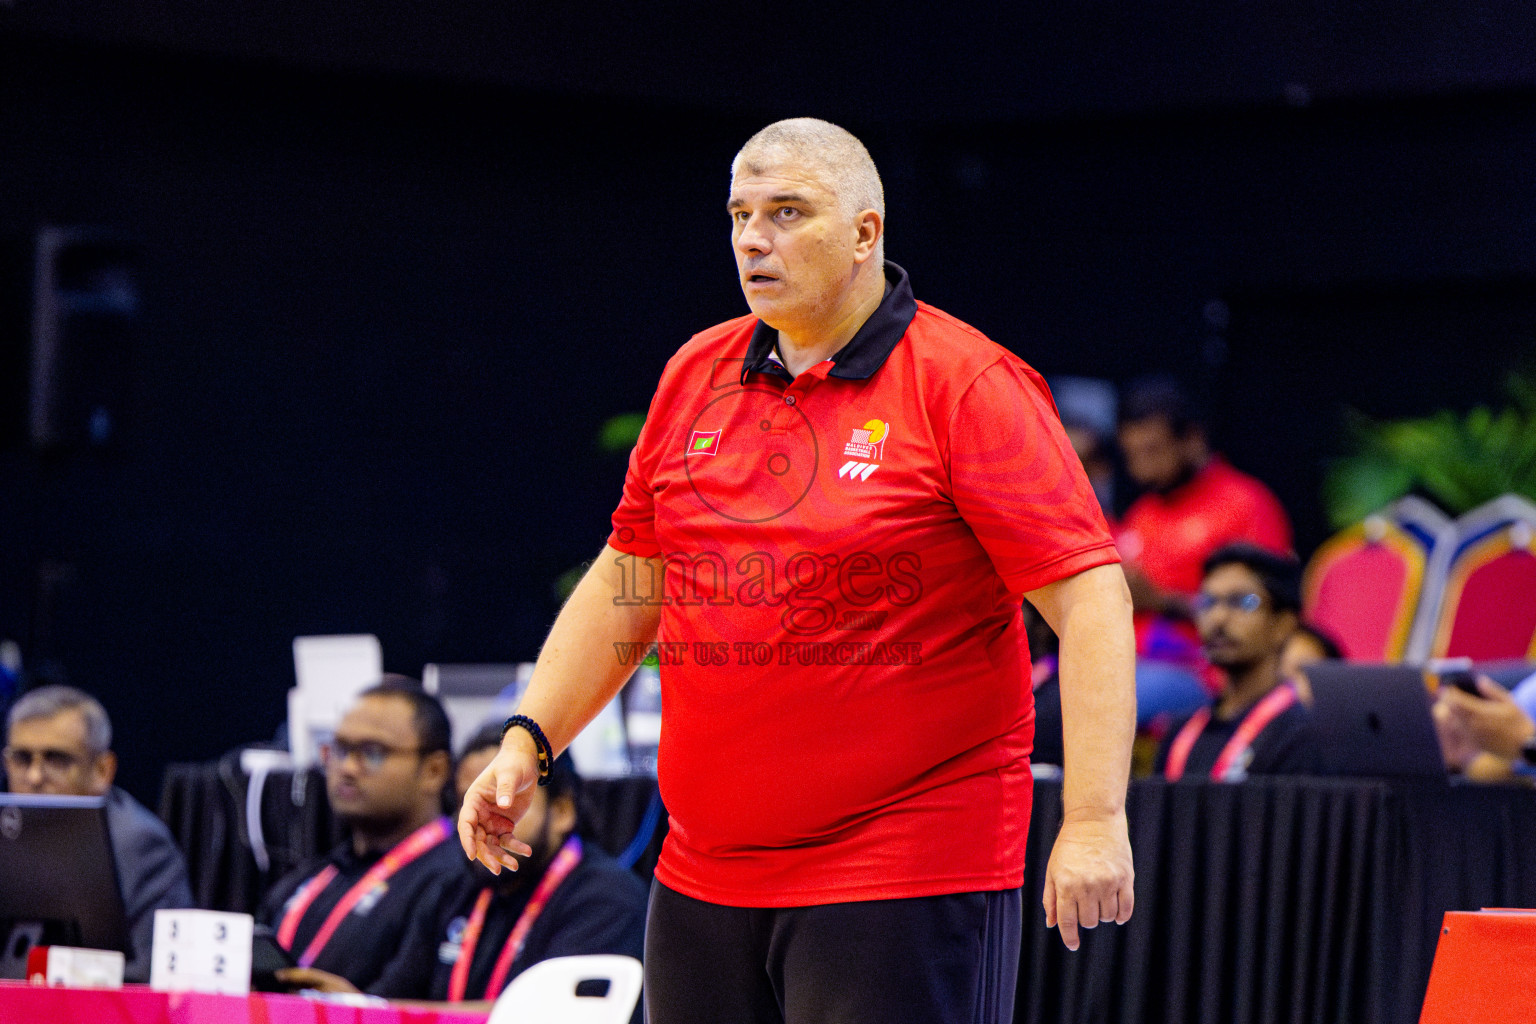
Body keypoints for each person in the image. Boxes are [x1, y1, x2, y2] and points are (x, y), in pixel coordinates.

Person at [459, 117, 1137, 1024]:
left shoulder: (965, 383)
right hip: (704, 873)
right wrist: (529, 740)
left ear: (865, 233)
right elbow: (634, 574)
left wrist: (1093, 820)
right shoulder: (696, 372)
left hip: (903, 870)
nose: (752, 237)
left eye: (786, 212)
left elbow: (1090, 598)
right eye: (740, 213)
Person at [375, 750, 646, 1017]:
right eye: (467, 803)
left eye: (499, 805)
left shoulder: (608, 898)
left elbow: (552, 1016)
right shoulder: (451, 887)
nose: (477, 823)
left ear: (562, 811)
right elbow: (392, 1000)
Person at [260, 679, 465, 995]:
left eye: (373, 752)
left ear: (434, 771)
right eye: (339, 749)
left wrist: (356, 1012)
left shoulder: (460, 879)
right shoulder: (315, 875)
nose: (347, 768)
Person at [1115, 375, 1294, 725]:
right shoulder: (1142, 514)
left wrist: (1162, 601)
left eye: (1153, 451)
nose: (1140, 468)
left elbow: (1266, 609)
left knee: (1105, 698)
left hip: (1206, 671)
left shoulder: (1244, 505)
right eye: (1131, 454)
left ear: (1193, 440)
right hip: (1131, 662)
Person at [4, 685, 194, 982]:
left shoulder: (141, 845)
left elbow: (153, 974)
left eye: (56, 759)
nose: (34, 777)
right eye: (22, 758)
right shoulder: (7, 830)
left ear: (102, 770)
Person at [1154, 545, 1319, 780]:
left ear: (1283, 624)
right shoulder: (1179, 731)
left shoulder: (1302, 734)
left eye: (1242, 602)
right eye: (1208, 602)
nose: (1218, 618)